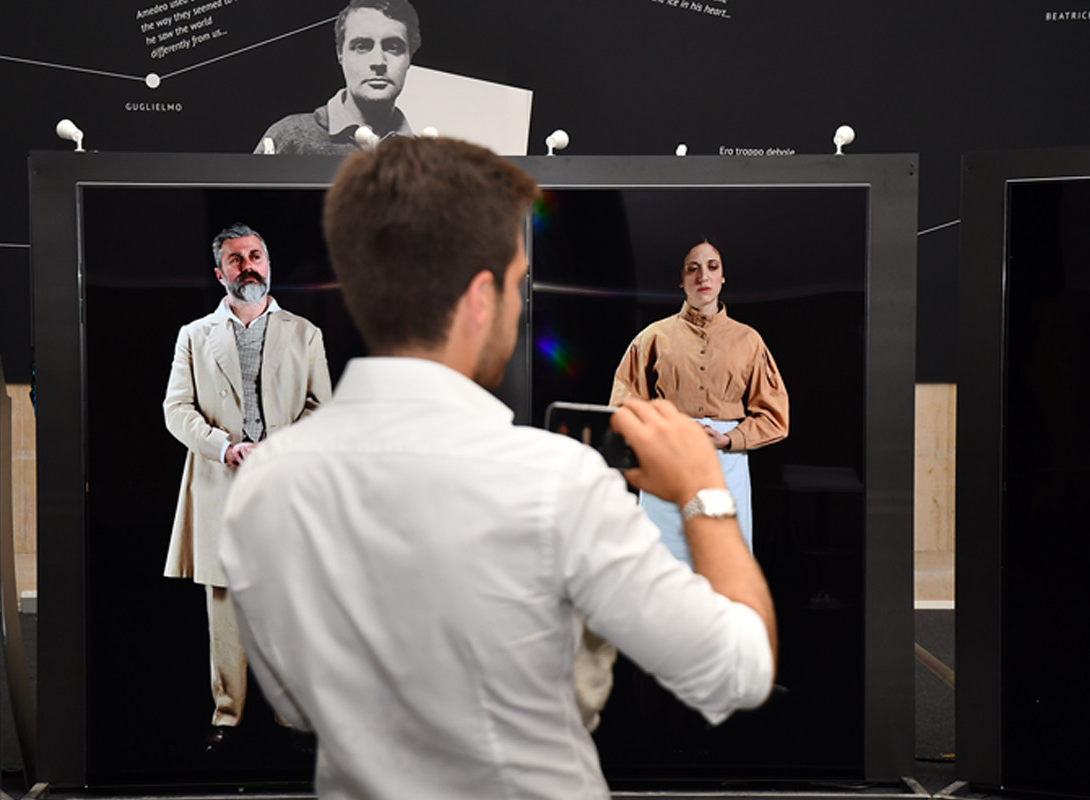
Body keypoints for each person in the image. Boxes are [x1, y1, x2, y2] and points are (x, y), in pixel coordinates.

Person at [218, 138, 777, 798]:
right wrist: (704, 489)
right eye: (517, 283)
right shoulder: (562, 485)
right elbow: (739, 672)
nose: (519, 304)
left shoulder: (261, 490)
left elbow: (296, 700)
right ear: (482, 298)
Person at [163, 222, 332, 752]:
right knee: (224, 602)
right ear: (220, 273)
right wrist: (224, 446)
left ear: (269, 263)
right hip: (220, 481)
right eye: (236, 259)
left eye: (255, 255)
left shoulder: (305, 333)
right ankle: (228, 716)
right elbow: (175, 409)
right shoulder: (195, 335)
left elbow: (322, 409)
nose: (248, 266)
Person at [610, 238, 789, 563]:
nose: (703, 276)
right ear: (681, 279)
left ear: (722, 277)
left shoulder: (749, 341)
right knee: (662, 563)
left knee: (725, 564)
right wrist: (658, 437)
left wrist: (730, 438)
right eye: (692, 269)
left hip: (726, 465)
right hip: (666, 462)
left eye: (712, 267)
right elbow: (623, 407)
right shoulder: (652, 338)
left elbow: (774, 416)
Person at [254, 0, 420, 155]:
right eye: (362, 46)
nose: (378, 62)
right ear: (340, 54)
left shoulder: (422, 154)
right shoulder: (289, 135)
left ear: (409, 58)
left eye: (393, 47)